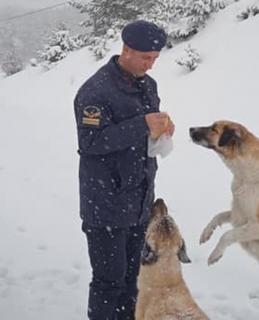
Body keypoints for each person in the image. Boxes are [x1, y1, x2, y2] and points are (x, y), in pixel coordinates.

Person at [73, 20, 174, 320]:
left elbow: (147, 131)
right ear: (126, 49)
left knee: (134, 279)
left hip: (139, 200)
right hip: (105, 205)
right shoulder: (95, 91)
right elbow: (90, 142)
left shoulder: (147, 84)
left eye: (155, 58)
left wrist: (163, 130)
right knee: (109, 282)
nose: (151, 65)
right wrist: (142, 125)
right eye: (146, 58)